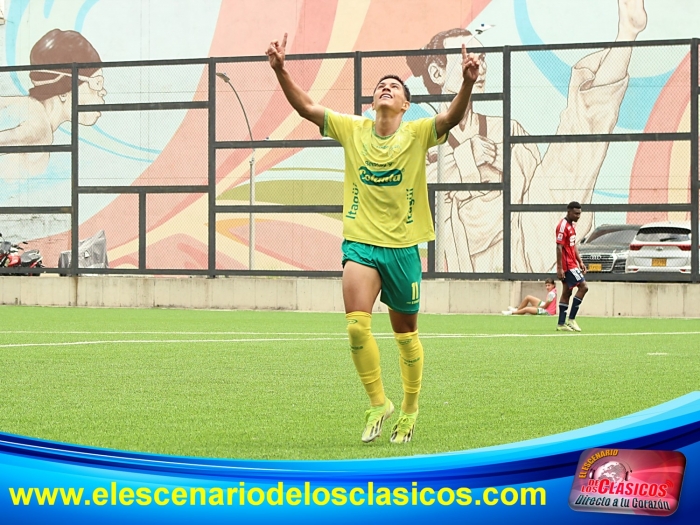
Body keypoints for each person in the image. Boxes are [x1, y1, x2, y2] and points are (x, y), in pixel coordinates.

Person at [267, 33, 479, 443]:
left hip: (403, 250)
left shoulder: (417, 133)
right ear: (371, 101)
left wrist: (467, 83)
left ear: (405, 105)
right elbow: (307, 107)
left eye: (395, 87)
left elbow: (451, 118)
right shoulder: (353, 129)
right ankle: (379, 402)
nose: (387, 87)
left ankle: (410, 408)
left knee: (406, 336)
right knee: (356, 328)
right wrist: (280, 70)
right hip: (361, 245)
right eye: (382, 85)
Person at [408, 0, 648, 273]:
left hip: (523, 238)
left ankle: (626, 35)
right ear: (437, 73)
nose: (479, 65)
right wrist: (467, 156)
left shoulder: (506, 129)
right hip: (472, 256)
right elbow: (417, 191)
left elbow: (539, 186)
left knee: (571, 150)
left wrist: (497, 163)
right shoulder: (423, 135)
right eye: (468, 57)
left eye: (482, 57)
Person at [1, 29, 107, 180]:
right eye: (97, 83)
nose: (103, 91)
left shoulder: (28, 109)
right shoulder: (39, 127)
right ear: (63, 90)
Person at [556, 202, 588, 332]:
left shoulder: (571, 226)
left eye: (579, 213)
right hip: (567, 265)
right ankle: (571, 319)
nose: (578, 216)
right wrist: (560, 268)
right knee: (583, 287)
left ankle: (561, 324)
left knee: (567, 292)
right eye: (576, 213)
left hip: (572, 263)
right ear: (568, 212)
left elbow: (572, 245)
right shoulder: (562, 226)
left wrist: (580, 261)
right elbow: (559, 247)